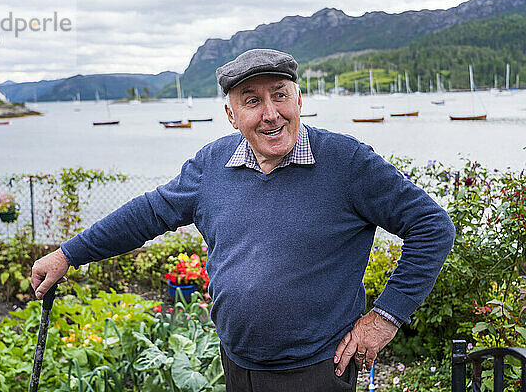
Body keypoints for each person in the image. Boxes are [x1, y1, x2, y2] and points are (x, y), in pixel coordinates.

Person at [31, 48, 455, 391]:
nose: (271, 113)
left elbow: (432, 228)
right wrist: (69, 254)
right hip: (237, 365)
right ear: (232, 116)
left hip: (317, 372)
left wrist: (384, 318)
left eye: (280, 95)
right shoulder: (211, 164)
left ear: (298, 99)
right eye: (253, 100)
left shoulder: (346, 162)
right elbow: (148, 213)